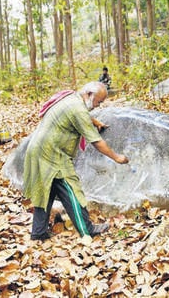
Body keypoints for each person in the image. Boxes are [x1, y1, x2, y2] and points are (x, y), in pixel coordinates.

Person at [23, 81, 129, 241]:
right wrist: (117, 157)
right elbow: (96, 141)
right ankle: (87, 229)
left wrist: (94, 121)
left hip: (38, 150)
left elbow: (76, 115)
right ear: (89, 94)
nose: (97, 106)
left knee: (46, 192)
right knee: (72, 191)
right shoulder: (78, 108)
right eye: (98, 102)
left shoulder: (71, 98)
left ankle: (38, 233)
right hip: (52, 155)